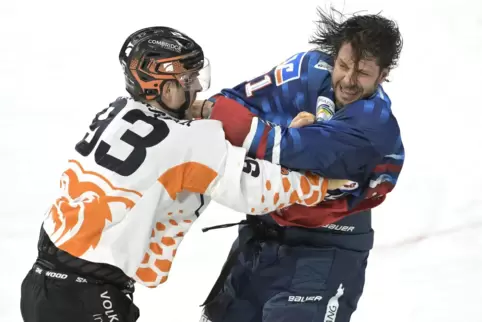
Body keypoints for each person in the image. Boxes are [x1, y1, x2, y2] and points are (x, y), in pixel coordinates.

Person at [19, 26, 348, 322]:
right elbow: (250, 187)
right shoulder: (188, 140)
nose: (195, 90)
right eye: (187, 81)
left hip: (40, 283)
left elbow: (184, 160)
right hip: (86, 297)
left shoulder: (116, 110)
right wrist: (317, 183)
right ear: (161, 88)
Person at [193, 8, 405, 322]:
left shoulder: (373, 125)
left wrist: (213, 112)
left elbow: (284, 147)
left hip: (326, 249)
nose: (347, 80)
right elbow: (235, 103)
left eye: (362, 73)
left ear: (383, 74)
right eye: (343, 65)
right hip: (263, 234)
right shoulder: (307, 68)